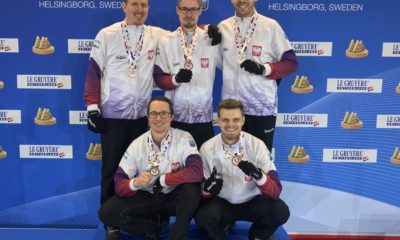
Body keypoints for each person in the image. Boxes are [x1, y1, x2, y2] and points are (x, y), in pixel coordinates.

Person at [83, 0, 169, 236]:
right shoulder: (107, 34)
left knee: (145, 169)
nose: (139, 9)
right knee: (111, 169)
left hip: (143, 118)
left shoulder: (157, 35)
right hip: (113, 118)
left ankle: (145, 219)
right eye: (134, 4)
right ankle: (110, 221)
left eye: (144, 5)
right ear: (124, 6)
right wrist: (92, 108)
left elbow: (185, 35)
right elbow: (93, 73)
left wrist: (206, 30)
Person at [98, 96, 203, 240]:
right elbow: (119, 184)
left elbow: (196, 171)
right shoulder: (137, 144)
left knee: (192, 189)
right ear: (147, 117)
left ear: (172, 116)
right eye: (153, 113)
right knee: (106, 213)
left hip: (174, 196)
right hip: (149, 196)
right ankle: (155, 226)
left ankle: (177, 235)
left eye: (163, 113)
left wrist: (165, 179)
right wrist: (135, 183)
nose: (158, 118)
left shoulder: (184, 138)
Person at [195, 99, 289, 240]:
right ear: (218, 121)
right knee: (202, 217)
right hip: (223, 203)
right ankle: (221, 229)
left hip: (252, 202)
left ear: (243, 120)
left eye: (236, 120)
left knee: (280, 211)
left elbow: (275, 191)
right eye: (225, 120)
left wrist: (259, 176)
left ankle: (258, 235)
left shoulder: (257, 145)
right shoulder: (207, 148)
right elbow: (201, 193)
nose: (231, 124)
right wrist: (207, 189)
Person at [218, 0, 298, 151]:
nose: (241, 1)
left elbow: (291, 62)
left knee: (260, 163)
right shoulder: (223, 27)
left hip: (261, 109)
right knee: (231, 161)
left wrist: (264, 69)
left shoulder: (270, 26)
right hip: (231, 110)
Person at [153, 0, 222, 148]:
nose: (189, 14)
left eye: (193, 9)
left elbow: (231, 68)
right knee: (176, 167)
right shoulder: (166, 41)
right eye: (184, 9)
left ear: (200, 11)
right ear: (178, 10)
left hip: (203, 120)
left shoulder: (211, 39)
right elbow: (159, 78)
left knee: (204, 168)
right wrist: (175, 79)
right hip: (175, 120)